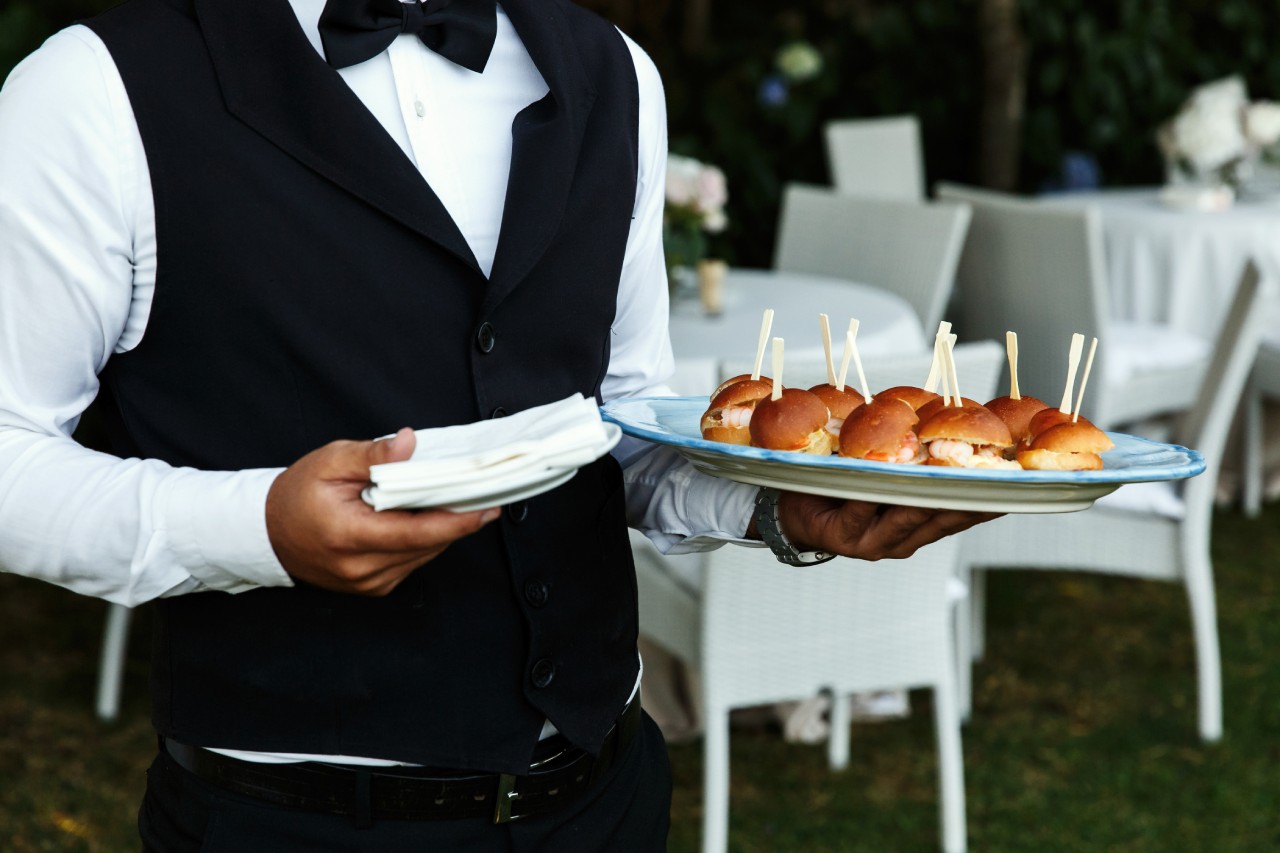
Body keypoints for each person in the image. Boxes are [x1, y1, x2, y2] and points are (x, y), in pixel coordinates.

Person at [0, 0, 995, 848]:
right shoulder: (93, 91)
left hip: (605, 799)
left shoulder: (616, 74)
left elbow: (619, 422)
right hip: (290, 819)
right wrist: (257, 527)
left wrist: (771, 508)